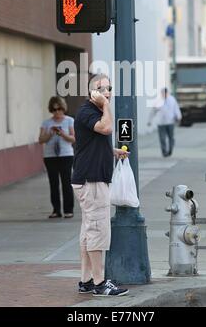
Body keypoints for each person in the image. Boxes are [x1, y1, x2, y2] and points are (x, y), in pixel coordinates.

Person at [72, 73, 130, 297]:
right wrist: (106, 105)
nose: (107, 92)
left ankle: (86, 280)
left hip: (92, 178)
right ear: (91, 92)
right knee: (97, 231)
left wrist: (112, 151)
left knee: (89, 232)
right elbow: (106, 129)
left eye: (109, 88)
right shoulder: (89, 110)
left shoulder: (95, 112)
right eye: (101, 88)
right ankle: (99, 283)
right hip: (92, 181)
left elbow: (93, 141)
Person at [39, 96, 75, 219]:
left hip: (66, 155)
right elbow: (41, 140)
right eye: (54, 110)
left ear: (63, 108)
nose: (57, 112)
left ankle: (68, 210)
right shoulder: (46, 123)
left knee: (67, 183)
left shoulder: (69, 121)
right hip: (50, 156)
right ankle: (56, 210)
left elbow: (73, 138)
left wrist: (62, 133)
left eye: (59, 109)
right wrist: (50, 133)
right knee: (53, 184)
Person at [147, 87, 182, 157]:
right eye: (162, 93)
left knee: (171, 137)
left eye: (165, 93)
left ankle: (170, 150)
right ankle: (164, 152)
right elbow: (152, 112)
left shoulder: (172, 100)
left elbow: (176, 109)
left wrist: (179, 117)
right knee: (162, 138)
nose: (163, 94)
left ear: (167, 93)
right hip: (161, 123)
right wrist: (149, 120)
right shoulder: (158, 101)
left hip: (170, 122)